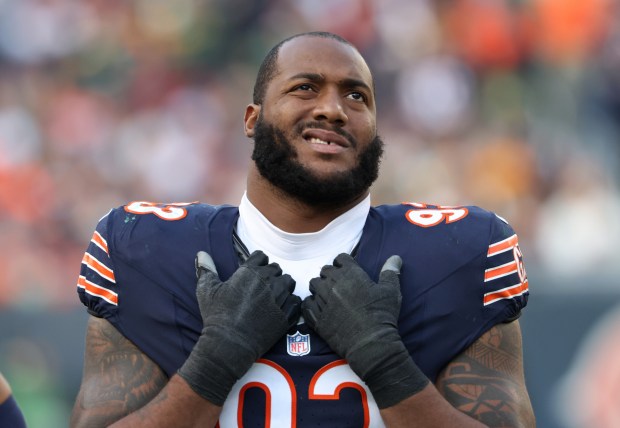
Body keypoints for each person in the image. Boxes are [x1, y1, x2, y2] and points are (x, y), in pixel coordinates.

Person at [70, 31, 535, 427]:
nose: (333, 109)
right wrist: (215, 360)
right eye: (305, 88)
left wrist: (385, 361)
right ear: (252, 120)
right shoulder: (146, 248)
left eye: (357, 96)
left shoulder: (459, 252)